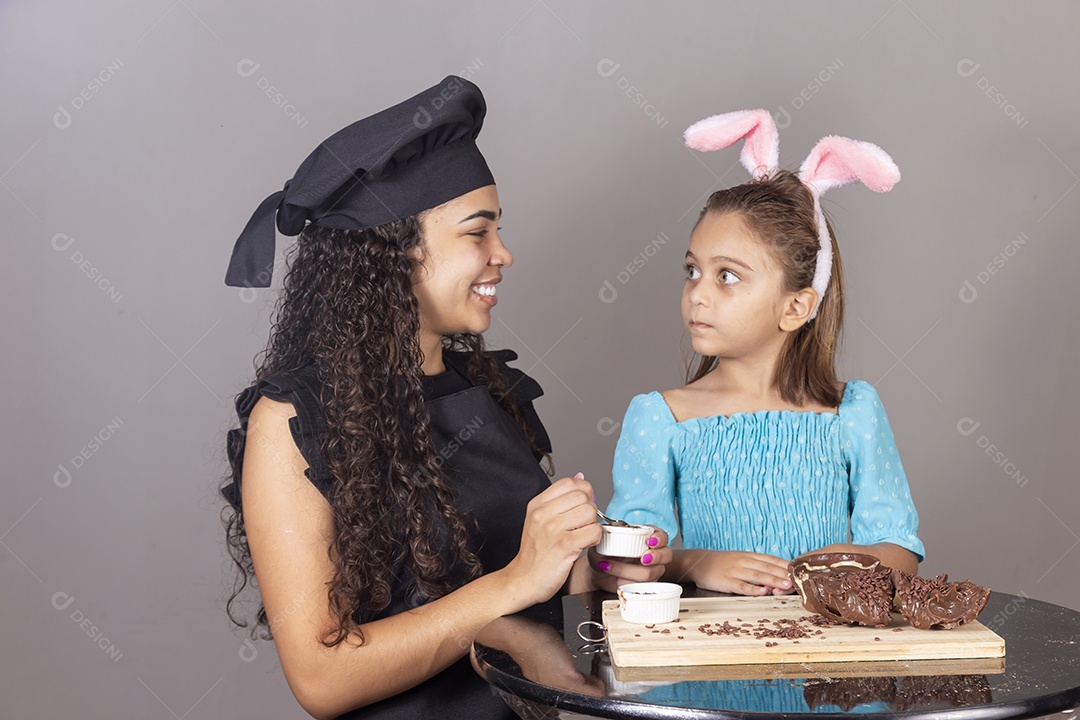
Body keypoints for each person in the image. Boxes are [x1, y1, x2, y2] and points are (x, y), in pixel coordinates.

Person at [220, 76, 671, 720]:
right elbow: (322, 678)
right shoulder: (292, 423)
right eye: (476, 233)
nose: (504, 254)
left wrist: (591, 573)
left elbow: (517, 585)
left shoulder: (494, 391)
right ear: (393, 253)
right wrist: (517, 578)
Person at [604, 109, 924, 599]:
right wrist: (698, 562)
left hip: (830, 666)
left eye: (727, 276)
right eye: (692, 271)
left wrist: (847, 562)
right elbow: (622, 563)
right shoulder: (661, 418)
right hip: (711, 666)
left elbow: (900, 552)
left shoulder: (852, 413)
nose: (698, 294)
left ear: (796, 306)